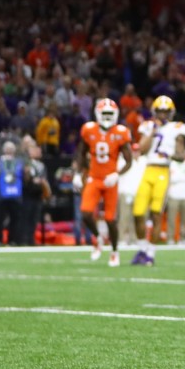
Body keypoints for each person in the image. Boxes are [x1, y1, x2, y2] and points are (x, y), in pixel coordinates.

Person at [76, 98, 133, 265]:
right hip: (94, 177)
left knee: (110, 219)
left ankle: (114, 251)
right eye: (104, 114)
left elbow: (129, 160)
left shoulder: (120, 132)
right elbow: (81, 153)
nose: (107, 117)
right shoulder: (89, 130)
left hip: (110, 180)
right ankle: (98, 237)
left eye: (110, 114)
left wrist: (117, 174)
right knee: (85, 213)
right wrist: (78, 173)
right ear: (97, 114)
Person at [132, 95, 185, 264]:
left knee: (156, 214)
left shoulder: (178, 128)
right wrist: (153, 132)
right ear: (154, 111)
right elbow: (141, 149)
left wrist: (169, 154)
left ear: (171, 113)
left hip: (163, 172)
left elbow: (181, 155)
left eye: (166, 111)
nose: (163, 115)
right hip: (148, 170)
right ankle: (142, 248)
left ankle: (150, 253)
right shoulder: (148, 126)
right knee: (138, 212)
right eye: (160, 111)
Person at [0, 140, 23, 245]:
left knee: (15, 218)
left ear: (14, 151)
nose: (9, 151)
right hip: (0, 194)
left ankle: (12, 240)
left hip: (15, 194)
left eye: (11, 149)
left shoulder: (19, 163)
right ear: (4, 150)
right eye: (7, 149)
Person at [165, 150, 185, 245]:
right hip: (173, 194)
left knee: (184, 219)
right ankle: (170, 238)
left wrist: (179, 177)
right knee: (172, 218)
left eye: (182, 153)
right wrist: (184, 177)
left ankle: (183, 238)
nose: (181, 155)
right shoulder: (171, 164)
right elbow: (172, 178)